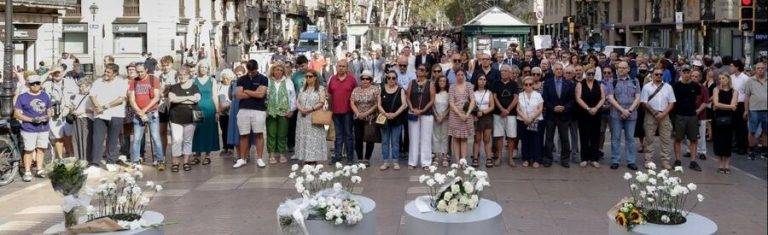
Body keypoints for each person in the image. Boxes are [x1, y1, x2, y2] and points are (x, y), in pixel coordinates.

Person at [14, 75, 52, 182]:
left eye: (37, 83)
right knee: (29, 150)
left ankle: (39, 169)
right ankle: (27, 171)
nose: (35, 85)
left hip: (43, 128)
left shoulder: (45, 96)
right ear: (28, 85)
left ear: (40, 84)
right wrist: (32, 119)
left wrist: (47, 117)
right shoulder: (23, 97)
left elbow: (49, 110)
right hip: (29, 128)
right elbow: (16, 114)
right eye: (32, 84)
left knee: (41, 149)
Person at [127, 64, 165, 170]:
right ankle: (135, 160)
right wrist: (139, 112)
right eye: (138, 72)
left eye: (141, 72)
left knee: (155, 137)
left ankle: (160, 160)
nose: (139, 74)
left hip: (152, 112)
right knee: (136, 139)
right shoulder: (134, 81)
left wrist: (144, 110)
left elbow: (156, 97)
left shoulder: (153, 79)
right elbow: (131, 99)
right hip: (138, 114)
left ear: (146, 70)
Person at [90, 63, 129, 165]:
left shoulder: (122, 82)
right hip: (100, 115)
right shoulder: (98, 81)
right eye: (105, 71)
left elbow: (121, 99)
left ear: (115, 73)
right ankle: (95, 162)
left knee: (113, 139)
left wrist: (104, 107)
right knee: (97, 139)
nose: (105, 73)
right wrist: (98, 107)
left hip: (116, 114)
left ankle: (111, 162)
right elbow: (92, 95)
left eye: (108, 72)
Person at [234, 60, 268, 168]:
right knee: (243, 135)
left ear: (257, 69)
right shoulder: (241, 79)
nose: (250, 73)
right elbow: (238, 95)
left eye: (253, 72)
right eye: (249, 71)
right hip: (243, 110)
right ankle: (242, 159)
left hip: (258, 110)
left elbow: (261, 94)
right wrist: (254, 92)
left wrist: (247, 91)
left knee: (259, 134)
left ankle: (259, 158)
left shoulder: (263, 78)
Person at [641, 67, 676, 170]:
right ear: (652, 75)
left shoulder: (668, 87)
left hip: (665, 115)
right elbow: (644, 102)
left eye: (661, 74)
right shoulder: (647, 87)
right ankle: (648, 161)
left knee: (666, 139)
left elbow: (672, 103)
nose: (659, 76)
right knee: (649, 139)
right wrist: (655, 113)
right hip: (651, 115)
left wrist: (664, 113)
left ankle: (665, 161)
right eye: (656, 74)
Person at [542, 63, 575, 168]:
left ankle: (565, 159)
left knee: (565, 138)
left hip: (564, 115)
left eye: (561, 69)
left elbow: (572, 100)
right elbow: (545, 99)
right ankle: (548, 158)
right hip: (551, 115)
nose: (559, 71)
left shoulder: (569, 83)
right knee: (549, 138)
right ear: (553, 70)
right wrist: (553, 108)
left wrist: (564, 108)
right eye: (557, 69)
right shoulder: (547, 83)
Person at [168, 68, 200, 172]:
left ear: (188, 76)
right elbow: (172, 99)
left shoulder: (194, 87)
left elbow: (196, 98)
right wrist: (187, 99)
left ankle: (186, 162)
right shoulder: (174, 87)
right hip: (176, 117)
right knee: (176, 140)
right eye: (180, 75)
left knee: (187, 140)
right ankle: (175, 162)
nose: (182, 77)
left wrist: (180, 99)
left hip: (190, 117)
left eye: (184, 74)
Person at [671, 66, 702, 171]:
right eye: (684, 72)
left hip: (692, 115)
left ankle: (693, 161)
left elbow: (698, 98)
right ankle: (678, 160)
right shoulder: (676, 86)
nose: (686, 74)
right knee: (678, 138)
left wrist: (695, 109)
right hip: (679, 115)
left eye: (688, 72)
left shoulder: (695, 86)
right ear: (681, 73)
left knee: (693, 139)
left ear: (690, 73)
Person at [42, 68, 78, 160]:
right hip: (54, 115)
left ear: (63, 73)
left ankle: (71, 156)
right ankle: (61, 158)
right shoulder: (47, 84)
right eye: (55, 72)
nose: (57, 74)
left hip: (68, 114)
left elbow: (77, 95)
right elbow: (37, 81)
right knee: (58, 137)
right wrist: (49, 71)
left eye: (59, 72)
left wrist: (72, 108)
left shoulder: (70, 82)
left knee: (69, 136)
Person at [265, 62, 296, 164]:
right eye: (277, 70)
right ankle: (271, 155)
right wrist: (265, 110)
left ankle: (282, 154)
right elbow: (264, 97)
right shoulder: (268, 81)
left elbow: (292, 97)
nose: (279, 72)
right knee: (271, 133)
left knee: (282, 134)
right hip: (271, 111)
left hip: (284, 111)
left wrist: (291, 110)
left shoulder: (288, 82)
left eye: (281, 70)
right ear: (273, 70)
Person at [295, 69, 329, 163]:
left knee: (313, 138)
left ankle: (313, 159)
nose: (308, 78)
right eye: (306, 76)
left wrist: (310, 109)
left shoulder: (320, 88)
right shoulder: (302, 88)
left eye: (310, 76)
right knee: (303, 136)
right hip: (302, 116)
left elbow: (322, 102)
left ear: (315, 78)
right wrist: (301, 108)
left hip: (313, 115)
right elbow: (297, 100)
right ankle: (305, 157)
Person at [327, 59, 357, 164]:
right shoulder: (332, 79)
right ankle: (337, 156)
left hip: (348, 111)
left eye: (343, 66)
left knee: (348, 135)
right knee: (338, 135)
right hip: (335, 111)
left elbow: (356, 94)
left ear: (347, 68)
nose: (341, 68)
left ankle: (350, 158)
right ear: (336, 67)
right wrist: (329, 109)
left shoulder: (352, 79)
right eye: (339, 66)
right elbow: (329, 94)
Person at [406, 65, 436, 169]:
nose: (419, 71)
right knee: (413, 138)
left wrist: (422, 110)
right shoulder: (412, 82)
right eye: (418, 69)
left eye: (422, 69)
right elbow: (407, 97)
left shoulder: (430, 84)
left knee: (426, 138)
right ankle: (412, 162)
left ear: (426, 73)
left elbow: (432, 100)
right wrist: (412, 109)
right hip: (413, 113)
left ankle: (426, 162)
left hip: (426, 114)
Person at [575, 66, 605, 168]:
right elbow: (578, 98)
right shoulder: (580, 84)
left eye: (592, 73)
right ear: (585, 73)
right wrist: (588, 108)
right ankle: (584, 158)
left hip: (596, 113)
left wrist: (596, 108)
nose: (590, 75)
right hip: (584, 113)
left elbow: (603, 98)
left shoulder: (599, 84)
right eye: (588, 73)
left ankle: (594, 159)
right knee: (584, 135)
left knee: (595, 136)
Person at [191, 62, 220, 165]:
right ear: (198, 68)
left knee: (209, 131)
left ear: (208, 69)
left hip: (210, 109)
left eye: (205, 67)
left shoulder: (212, 80)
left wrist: (217, 111)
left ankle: (207, 155)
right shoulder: (194, 80)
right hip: (197, 108)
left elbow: (215, 96)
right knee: (197, 131)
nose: (203, 69)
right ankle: (197, 155)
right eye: (201, 67)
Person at [378, 71, 408, 170]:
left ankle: (395, 161)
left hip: (397, 119)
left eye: (393, 78)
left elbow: (404, 104)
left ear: (396, 79)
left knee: (395, 142)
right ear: (386, 79)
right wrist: (385, 114)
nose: (391, 80)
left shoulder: (401, 90)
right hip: (384, 119)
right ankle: (385, 161)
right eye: (389, 78)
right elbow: (379, 105)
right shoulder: (381, 89)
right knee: (385, 141)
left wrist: (395, 114)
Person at [351, 70, 380, 166]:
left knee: (369, 138)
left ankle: (367, 159)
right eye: (363, 78)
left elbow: (377, 104)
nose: (365, 80)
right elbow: (352, 102)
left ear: (370, 80)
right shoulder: (356, 90)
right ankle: (359, 158)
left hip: (370, 118)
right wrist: (358, 113)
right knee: (358, 138)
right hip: (358, 117)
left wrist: (366, 113)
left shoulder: (375, 89)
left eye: (367, 79)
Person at [493, 64, 520, 167]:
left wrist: (508, 110)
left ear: (509, 72)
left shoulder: (514, 84)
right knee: (499, 136)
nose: (502, 73)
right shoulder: (496, 83)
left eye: (505, 71)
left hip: (511, 114)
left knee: (511, 137)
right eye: (502, 71)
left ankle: (510, 158)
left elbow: (516, 98)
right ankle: (499, 157)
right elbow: (494, 97)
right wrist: (502, 109)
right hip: (498, 114)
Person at [448, 68, 476, 164]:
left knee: (464, 138)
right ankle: (456, 160)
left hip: (466, 115)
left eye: (462, 74)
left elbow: (472, 100)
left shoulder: (468, 85)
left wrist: (467, 114)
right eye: (458, 75)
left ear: (464, 75)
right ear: (455, 76)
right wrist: (459, 114)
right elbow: (451, 102)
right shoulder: (452, 87)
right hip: (455, 115)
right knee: (455, 138)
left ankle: (463, 161)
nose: (460, 76)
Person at [712, 75, 738, 174]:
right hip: (718, 118)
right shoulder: (716, 90)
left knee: (727, 141)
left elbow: (732, 105)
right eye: (720, 79)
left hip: (729, 119)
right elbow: (716, 103)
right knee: (718, 141)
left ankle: (727, 165)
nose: (721, 80)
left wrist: (720, 106)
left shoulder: (734, 91)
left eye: (723, 78)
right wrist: (730, 106)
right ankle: (720, 165)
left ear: (728, 79)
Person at [517, 76, 544, 168]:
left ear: (533, 85)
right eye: (526, 84)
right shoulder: (520, 95)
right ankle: (526, 159)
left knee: (536, 141)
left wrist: (531, 118)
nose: (528, 86)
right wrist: (525, 118)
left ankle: (536, 159)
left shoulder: (538, 95)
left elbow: (540, 108)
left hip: (536, 120)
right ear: (523, 86)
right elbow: (518, 109)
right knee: (525, 141)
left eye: (530, 84)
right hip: (523, 120)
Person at [744, 62, 767, 159]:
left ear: (765, 69)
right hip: (753, 109)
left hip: (766, 109)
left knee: (766, 131)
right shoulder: (750, 81)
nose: (760, 70)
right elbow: (747, 96)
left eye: (762, 68)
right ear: (755, 69)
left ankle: (765, 151)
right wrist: (746, 110)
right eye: (758, 68)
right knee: (752, 131)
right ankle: (751, 150)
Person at [472, 75, 495, 168]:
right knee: (477, 139)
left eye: (484, 79)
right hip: (477, 118)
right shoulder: (473, 93)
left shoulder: (489, 92)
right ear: (477, 81)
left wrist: (483, 112)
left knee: (487, 139)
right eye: (480, 79)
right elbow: (470, 105)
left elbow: (492, 106)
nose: (482, 81)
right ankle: (475, 158)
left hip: (487, 117)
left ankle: (488, 158)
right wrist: (475, 114)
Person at [66, 81, 92, 162]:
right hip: (76, 119)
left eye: (83, 86)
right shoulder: (76, 96)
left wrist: (82, 111)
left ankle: (86, 159)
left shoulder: (91, 96)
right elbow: (72, 106)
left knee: (85, 139)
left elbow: (94, 109)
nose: (81, 88)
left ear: (89, 86)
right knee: (76, 139)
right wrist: (72, 111)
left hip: (86, 119)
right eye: (80, 86)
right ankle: (78, 158)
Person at [730, 60, 750, 155]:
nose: (730, 68)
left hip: (741, 104)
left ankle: (743, 147)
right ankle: (736, 145)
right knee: (734, 126)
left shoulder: (745, 78)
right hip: (733, 104)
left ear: (737, 67)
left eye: (732, 66)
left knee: (742, 126)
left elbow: (747, 93)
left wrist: (747, 108)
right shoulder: (731, 77)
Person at [432, 75, 450, 167]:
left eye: (444, 81)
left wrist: (443, 116)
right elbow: (432, 106)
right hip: (436, 117)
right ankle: (436, 156)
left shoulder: (448, 93)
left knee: (444, 136)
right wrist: (436, 115)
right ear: (437, 82)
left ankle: (445, 156)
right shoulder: (435, 93)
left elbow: (449, 107)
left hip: (445, 118)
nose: (442, 82)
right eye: (440, 81)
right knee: (435, 136)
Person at [217, 69, 236, 156]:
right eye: (224, 78)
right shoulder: (219, 86)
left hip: (231, 112)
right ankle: (225, 147)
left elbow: (234, 99)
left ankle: (231, 148)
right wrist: (218, 111)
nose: (226, 80)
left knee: (230, 130)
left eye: (228, 78)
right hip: (222, 113)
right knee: (223, 131)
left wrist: (228, 106)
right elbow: (217, 99)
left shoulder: (232, 86)